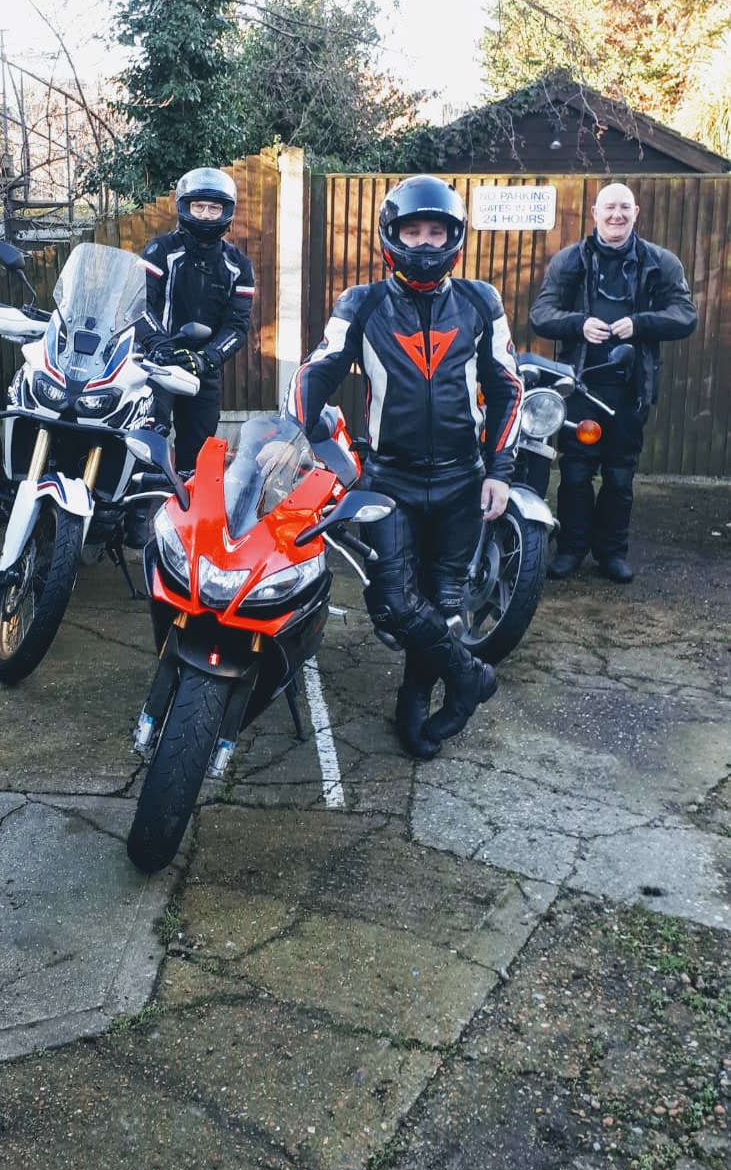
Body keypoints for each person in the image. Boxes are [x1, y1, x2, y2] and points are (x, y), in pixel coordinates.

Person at [286, 176, 524, 761]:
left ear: (453, 237)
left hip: (462, 479)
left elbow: (508, 388)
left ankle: (411, 706)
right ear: (391, 236)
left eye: (434, 231)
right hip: (387, 477)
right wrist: (289, 435)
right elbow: (315, 371)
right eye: (411, 231)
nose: (423, 243)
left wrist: (500, 469)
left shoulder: (480, 302)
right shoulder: (361, 303)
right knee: (393, 602)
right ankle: (469, 677)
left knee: (443, 606)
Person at [529, 182, 697, 583]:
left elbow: (685, 315)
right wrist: (577, 324)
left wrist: (640, 325)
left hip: (630, 389)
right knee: (574, 474)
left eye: (624, 208)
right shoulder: (570, 260)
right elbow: (541, 313)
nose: (616, 215)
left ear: (636, 213)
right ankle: (570, 549)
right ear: (594, 213)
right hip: (579, 387)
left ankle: (612, 554)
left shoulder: (661, 263)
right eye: (609, 208)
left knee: (620, 477)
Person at [141, 167, 255, 474]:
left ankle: (190, 519)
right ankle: (137, 517)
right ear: (184, 207)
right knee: (147, 442)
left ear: (226, 211)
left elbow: (237, 326)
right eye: (199, 207)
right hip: (156, 362)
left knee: (200, 456)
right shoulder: (159, 250)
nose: (206, 215)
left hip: (203, 368)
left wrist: (206, 358)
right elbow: (139, 305)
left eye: (214, 208)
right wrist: (159, 345)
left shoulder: (239, 266)